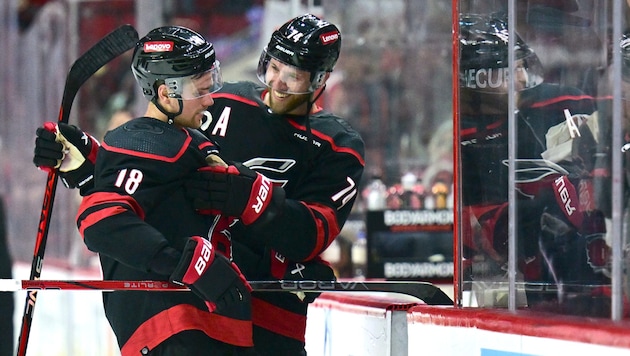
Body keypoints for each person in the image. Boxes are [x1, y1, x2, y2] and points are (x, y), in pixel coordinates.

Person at [33, 14, 365, 355]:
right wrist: (92, 163)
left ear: (321, 79)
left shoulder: (338, 144)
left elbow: (313, 233)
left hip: (269, 312)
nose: (277, 82)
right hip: (202, 305)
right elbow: (150, 173)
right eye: (273, 66)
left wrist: (257, 202)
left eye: (293, 76)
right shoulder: (219, 102)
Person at [35, 26, 254, 355]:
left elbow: (156, 200)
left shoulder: (184, 140)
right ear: (166, 94)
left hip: (213, 328)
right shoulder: (143, 139)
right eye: (200, 89)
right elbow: (103, 221)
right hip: (175, 329)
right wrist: (187, 264)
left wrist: (89, 170)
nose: (210, 99)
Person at [458, 13, 610, 316]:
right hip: (511, 280)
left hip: (591, 269)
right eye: (509, 70)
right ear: (477, 76)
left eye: (519, 66)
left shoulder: (566, 101)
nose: (520, 78)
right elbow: (480, 230)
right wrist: (546, 203)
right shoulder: (464, 133)